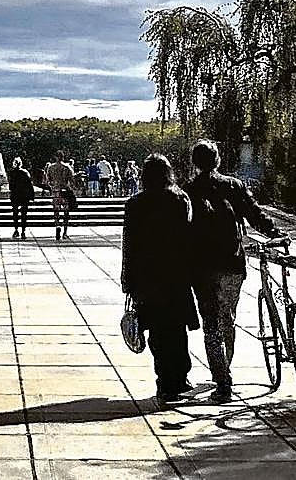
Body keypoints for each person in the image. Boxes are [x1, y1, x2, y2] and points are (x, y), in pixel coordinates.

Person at [185, 139, 286, 404]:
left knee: (211, 325)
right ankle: (225, 367)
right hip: (231, 264)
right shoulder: (233, 186)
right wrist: (274, 232)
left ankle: (222, 379)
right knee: (228, 318)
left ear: (194, 163)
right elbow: (254, 214)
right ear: (217, 160)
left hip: (202, 268)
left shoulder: (188, 192)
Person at [121, 154, 199, 404]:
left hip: (147, 275)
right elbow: (189, 236)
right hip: (175, 273)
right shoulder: (180, 199)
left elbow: (129, 243)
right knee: (177, 328)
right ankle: (180, 377)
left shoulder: (135, 204)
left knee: (156, 330)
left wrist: (127, 277)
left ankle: (164, 381)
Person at [44, 152, 74, 241]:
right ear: (63, 157)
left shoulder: (51, 167)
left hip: (56, 191)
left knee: (56, 211)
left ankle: (57, 226)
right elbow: (71, 180)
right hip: (65, 191)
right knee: (66, 212)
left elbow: (48, 180)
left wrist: (52, 186)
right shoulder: (67, 167)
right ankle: (65, 232)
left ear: (56, 157)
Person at [8, 156, 34, 239]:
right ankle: (23, 231)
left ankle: (16, 230)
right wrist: (32, 196)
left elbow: (10, 186)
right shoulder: (25, 172)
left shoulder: (12, 173)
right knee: (24, 214)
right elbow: (30, 185)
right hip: (24, 195)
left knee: (15, 213)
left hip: (15, 195)